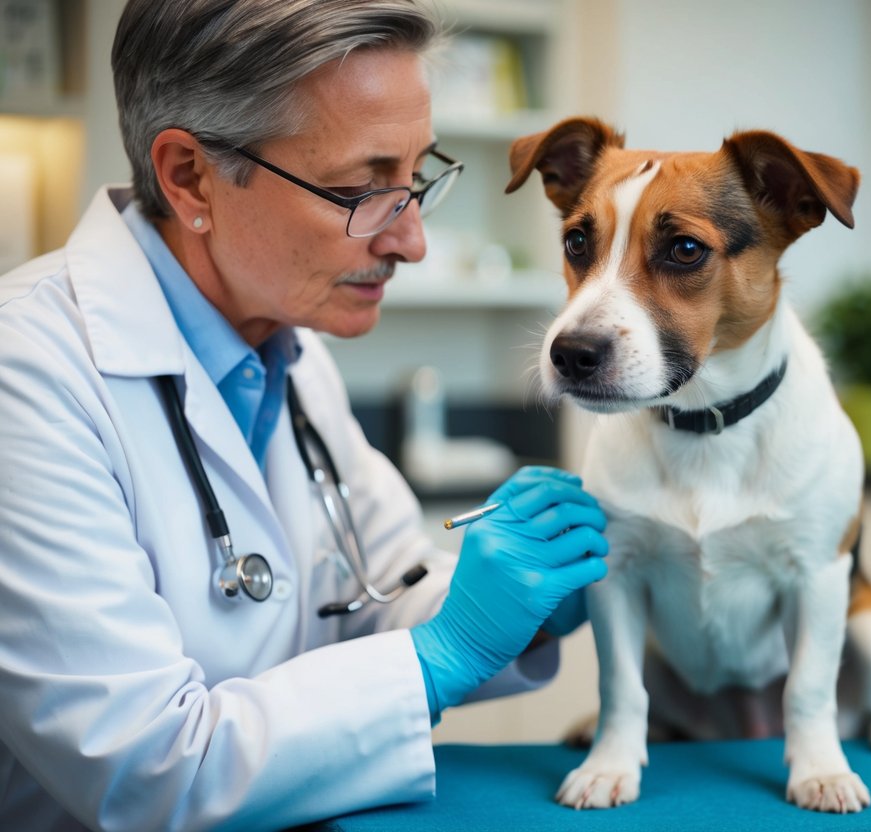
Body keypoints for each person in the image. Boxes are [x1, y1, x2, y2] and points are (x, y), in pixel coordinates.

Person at [0, 1, 610, 829]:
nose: (411, 241)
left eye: (417, 177)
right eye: (361, 191)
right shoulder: (27, 375)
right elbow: (146, 769)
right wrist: (445, 655)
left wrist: (524, 604)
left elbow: (384, 591)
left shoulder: (290, 352)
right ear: (188, 177)